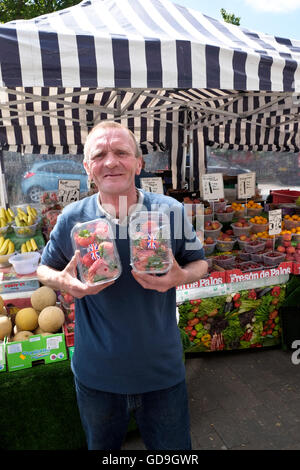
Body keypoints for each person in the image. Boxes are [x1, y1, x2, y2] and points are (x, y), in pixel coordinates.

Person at [37, 121, 208, 451]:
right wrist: (63, 281)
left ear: (139, 163)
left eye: (121, 152)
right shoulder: (72, 218)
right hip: (97, 374)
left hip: (162, 371)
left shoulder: (169, 211)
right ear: (87, 167)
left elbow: (199, 261)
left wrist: (180, 277)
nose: (111, 161)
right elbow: (44, 269)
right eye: (99, 154)